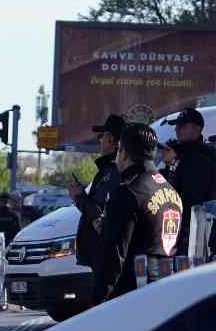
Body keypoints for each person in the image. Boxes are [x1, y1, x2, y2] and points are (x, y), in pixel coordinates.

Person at [94, 121, 185, 302]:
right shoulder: (171, 192)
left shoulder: (129, 192)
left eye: (119, 150)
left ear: (124, 153)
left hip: (133, 295)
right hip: (166, 289)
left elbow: (114, 255)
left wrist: (98, 300)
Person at [71, 114, 122, 273]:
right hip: (101, 254)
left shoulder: (113, 171)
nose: (99, 140)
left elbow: (99, 214)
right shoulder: (107, 170)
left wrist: (79, 197)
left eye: (102, 135)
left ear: (111, 140)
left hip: (105, 254)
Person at [162, 109, 215, 256]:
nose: (176, 129)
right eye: (177, 126)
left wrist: (176, 237)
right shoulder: (182, 156)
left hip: (193, 238)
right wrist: (169, 166)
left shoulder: (196, 160)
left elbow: (190, 204)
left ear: (197, 129)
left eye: (182, 126)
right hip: (186, 235)